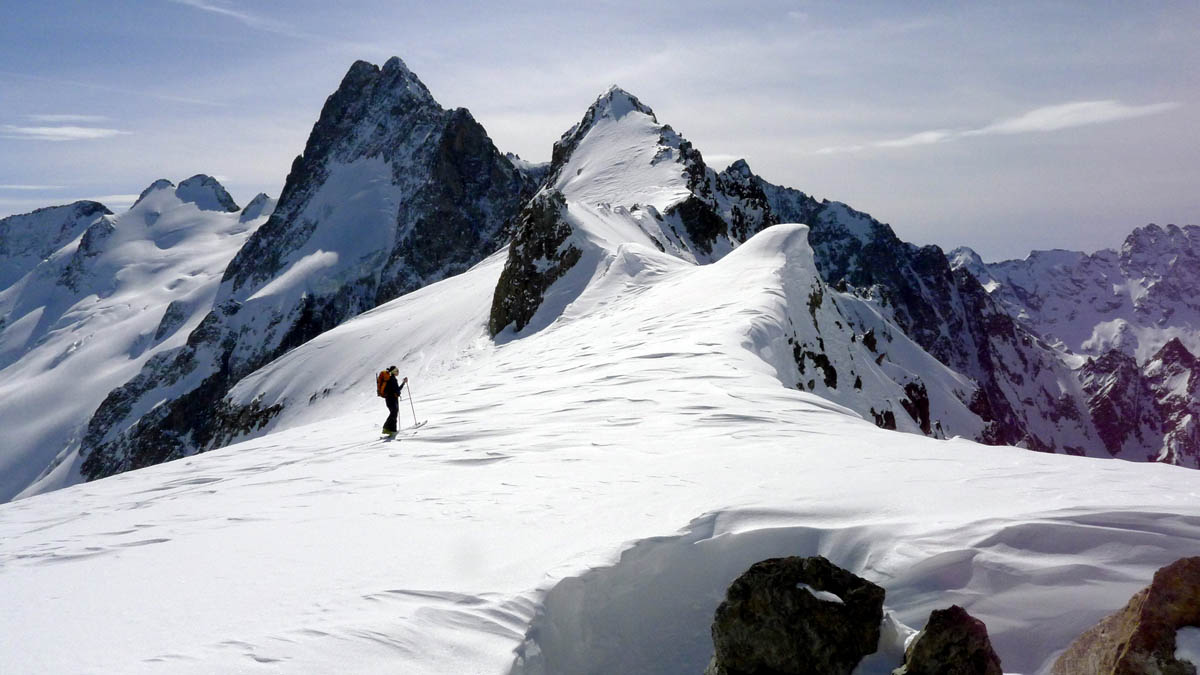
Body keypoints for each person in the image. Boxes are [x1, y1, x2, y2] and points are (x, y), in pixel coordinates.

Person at [381, 366, 407, 435]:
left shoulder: (390, 378)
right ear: (393, 371)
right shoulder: (392, 379)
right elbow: (397, 390)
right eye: (396, 371)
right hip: (392, 399)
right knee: (394, 413)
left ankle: (393, 430)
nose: (398, 372)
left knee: (394, 414)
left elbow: (396, 389)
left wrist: (403, 383)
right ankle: (386, 428)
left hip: (389, 399)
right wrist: (403, 384)